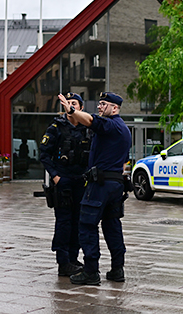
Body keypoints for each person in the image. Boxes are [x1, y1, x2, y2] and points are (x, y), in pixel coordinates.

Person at [58, 91, 131, 286]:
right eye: (98, 104)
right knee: (112, 225)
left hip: (100, 184)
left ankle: (91, 271)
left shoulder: (111, 124)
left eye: (103, 104)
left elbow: (90, 120)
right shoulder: (124, 129)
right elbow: (124, 162)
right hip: (115, 184)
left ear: (114, 108)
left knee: (87, 224)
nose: (99, 107)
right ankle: (117, 269)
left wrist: (71, 110)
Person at [39, 93, 92, 277]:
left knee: (79, 221)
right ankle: (63, 262)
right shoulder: (56, 127)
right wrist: (55, 176)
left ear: (81, 108)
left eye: (74, 103)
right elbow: (44, 154)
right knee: (64, 222)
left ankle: (73, 258)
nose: (70, 106)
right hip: (63, 181)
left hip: (81, 181)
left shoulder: (87, 128)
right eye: (67, 103)